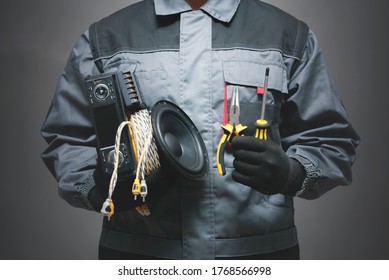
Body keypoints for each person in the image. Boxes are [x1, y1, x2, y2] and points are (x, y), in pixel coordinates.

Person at [41, 0, 359, 260]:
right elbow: (66, 137)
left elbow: (331, 138)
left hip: (256, 257)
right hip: (139, 256)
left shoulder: (287, 35)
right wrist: (101, 190)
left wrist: (293, 173)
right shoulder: (105, 38)